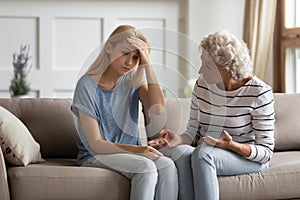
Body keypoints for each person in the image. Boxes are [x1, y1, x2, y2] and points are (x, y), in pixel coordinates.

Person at [148, 30, 275, 200]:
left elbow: (266, 152)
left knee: (203, 154)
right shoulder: (202, 86)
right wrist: (176, 139)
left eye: (207, 65)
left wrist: (231, 146)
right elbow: (192, 132)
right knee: (181, 151)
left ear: (228, 68)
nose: (200, 71)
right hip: (208, 150)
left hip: (247, 158)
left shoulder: (259, 92)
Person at [71, 25, 178, 200]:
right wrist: (138, 150)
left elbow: (158, 109)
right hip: (96, 156)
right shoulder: (86, 86)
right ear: (109, 48)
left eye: (136, 57)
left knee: (167, 165)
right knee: (147, 167)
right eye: (125, 53)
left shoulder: (132, 83)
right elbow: (96, 144)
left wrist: (148, 64)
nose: (129, 62)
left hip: (132, 154)